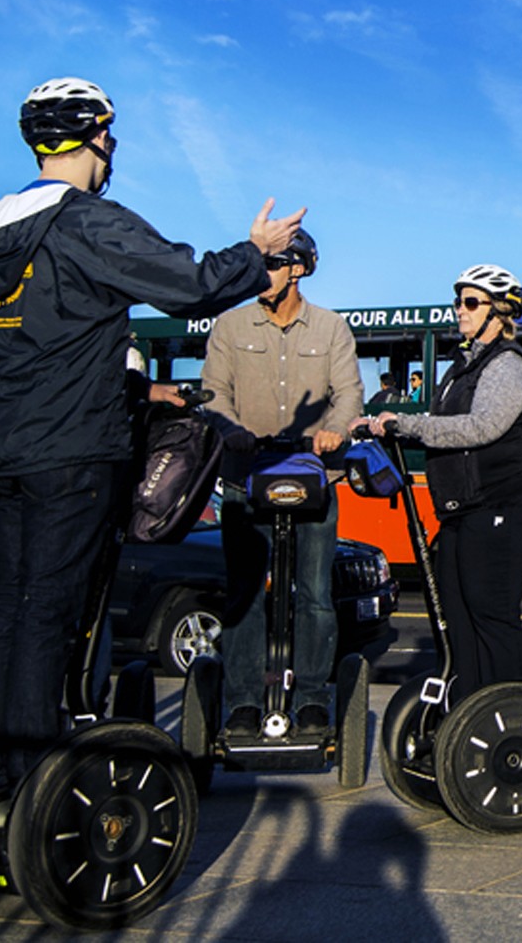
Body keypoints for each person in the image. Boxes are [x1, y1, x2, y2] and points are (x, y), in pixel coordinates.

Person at [0, 77, 302, 824]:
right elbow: (187, 286)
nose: (111, 152)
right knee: (49, 611)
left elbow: (27, 344)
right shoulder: (86, 223)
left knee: (8, 610)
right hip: (73, 452)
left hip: (2, 450)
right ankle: (25, 781)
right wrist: (257, 252)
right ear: (94, 138)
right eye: (109, 138)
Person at [201, 228, 361, 737]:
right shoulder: (229, 326)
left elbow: (349, 393)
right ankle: (244, 702)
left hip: (313, 477)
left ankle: (313, 698)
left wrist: (336, 429)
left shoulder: (331, 329)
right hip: (245, 478)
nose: (260, 275)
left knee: (314, 594)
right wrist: (233, 431)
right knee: (246, 593)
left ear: (298, 268)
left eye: (270, 265)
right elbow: (213, 394)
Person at [357, 265, 522, 701]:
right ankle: (469, 707)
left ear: (499, 311)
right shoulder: (462, 365)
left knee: (491, 614)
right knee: (456, 615)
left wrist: (406, 424)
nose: (460, 309)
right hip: (460, 507)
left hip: (497, 504)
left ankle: (512, 712)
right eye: (458, 301)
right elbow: (443, 421)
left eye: (471, 302)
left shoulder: (508, 363)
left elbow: (481, 427)